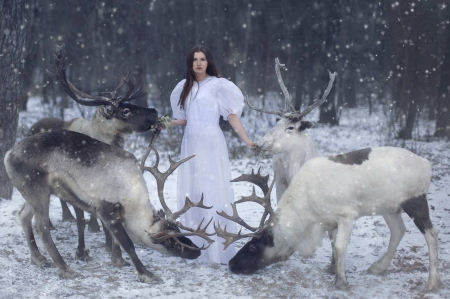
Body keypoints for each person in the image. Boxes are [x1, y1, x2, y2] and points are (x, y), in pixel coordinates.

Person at [170, 45, 255, 264]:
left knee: (212, 189)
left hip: (211, 142)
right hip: (191, 142)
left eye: (203, 59)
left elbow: (231, 115)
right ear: (190, 63)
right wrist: (166, 123)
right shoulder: (184, 87)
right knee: (195, 190)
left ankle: (218, 248)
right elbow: (185, 119)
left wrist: (246, 140)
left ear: (208, 62)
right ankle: (197, 246)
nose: (199, 63)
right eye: (195, 59)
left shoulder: (218, 85)